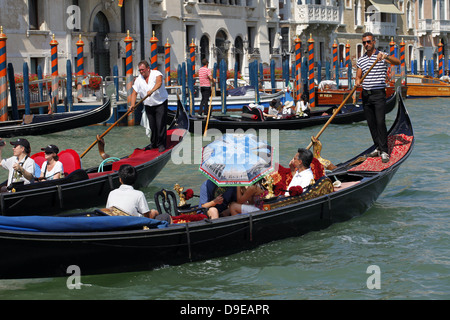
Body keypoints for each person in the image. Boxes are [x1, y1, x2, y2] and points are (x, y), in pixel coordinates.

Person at [355, 32, 400, 163]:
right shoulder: (361, 60)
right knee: (371, 123)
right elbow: (358, 76)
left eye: (368, 42)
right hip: (366, 95)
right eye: (364, 42)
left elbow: (397, 62)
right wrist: (357, 81)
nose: (366, 44)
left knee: (380, 122)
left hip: (379, 94)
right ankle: (378, 147)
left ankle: (384, 150)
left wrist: (385, 56)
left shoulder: (381, 56)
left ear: (374, 42)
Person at [106, 164, 171, 223]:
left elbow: (107, 213)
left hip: (115, 225)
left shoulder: (112, 193)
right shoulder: (139, 194)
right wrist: (154, 212)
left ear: (120, 179)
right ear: (135, 179)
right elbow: (148, 217)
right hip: (133, 226)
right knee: (167, 216)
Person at [130, 60, 169, 153]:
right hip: (149, 105)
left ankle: (161, 144)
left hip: (160, 103)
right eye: (139, 70)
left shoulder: (156, 73)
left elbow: (159, 83)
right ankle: (154, 143)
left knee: (160, 124)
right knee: (152, 126)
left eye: (142, 69)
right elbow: (134, 93)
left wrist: (152, 90)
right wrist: (132, 104)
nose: (141, 71)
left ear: (148, 68)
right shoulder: (139, 79)